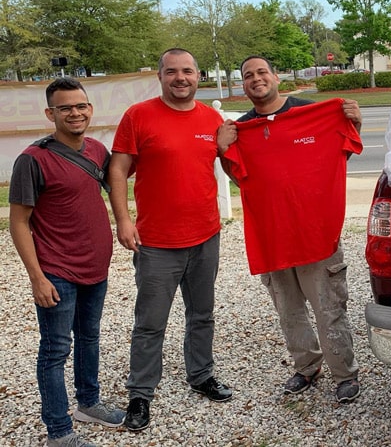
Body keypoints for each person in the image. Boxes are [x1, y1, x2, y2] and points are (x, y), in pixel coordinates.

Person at [217, 55, 363, 403]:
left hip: (315, 232)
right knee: (289, 310)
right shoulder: (241, 130)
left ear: (276, 76)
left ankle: (345, 373)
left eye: (262, 72)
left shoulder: (312, 113)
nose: (256, 79)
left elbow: (338, 157)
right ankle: (306, 367)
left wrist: (352, 122)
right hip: (272, 237)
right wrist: (224, 149)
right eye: (248, 75)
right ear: (243, 84)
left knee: (329, 308)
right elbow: (239, 178)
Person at [108, 47, 232, 432]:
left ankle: (201, 375)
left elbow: (238, 165)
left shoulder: (212, 119)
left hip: (205, 236)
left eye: (188, 72)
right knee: (150, 323)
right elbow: (117, 169)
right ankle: (141, 393)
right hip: (157, 242)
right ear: (160, 76)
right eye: (172, 72)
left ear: (199, 76)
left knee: (202, 315)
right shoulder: (139, 116)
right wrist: (124, 220)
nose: (181, 78)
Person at [8, 77, 125, 447]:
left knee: (90, 338)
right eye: (65, 108)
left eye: (81, 106)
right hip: (56, 271)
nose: (75, 113)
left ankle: (88, 403)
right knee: (55, 349)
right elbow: (19, 222)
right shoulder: (32, 159)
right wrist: (36, 278)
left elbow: (122, 178)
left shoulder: (96, 150)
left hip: (96, 267)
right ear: (50, 113)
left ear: (90, 109)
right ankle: (59, 432)